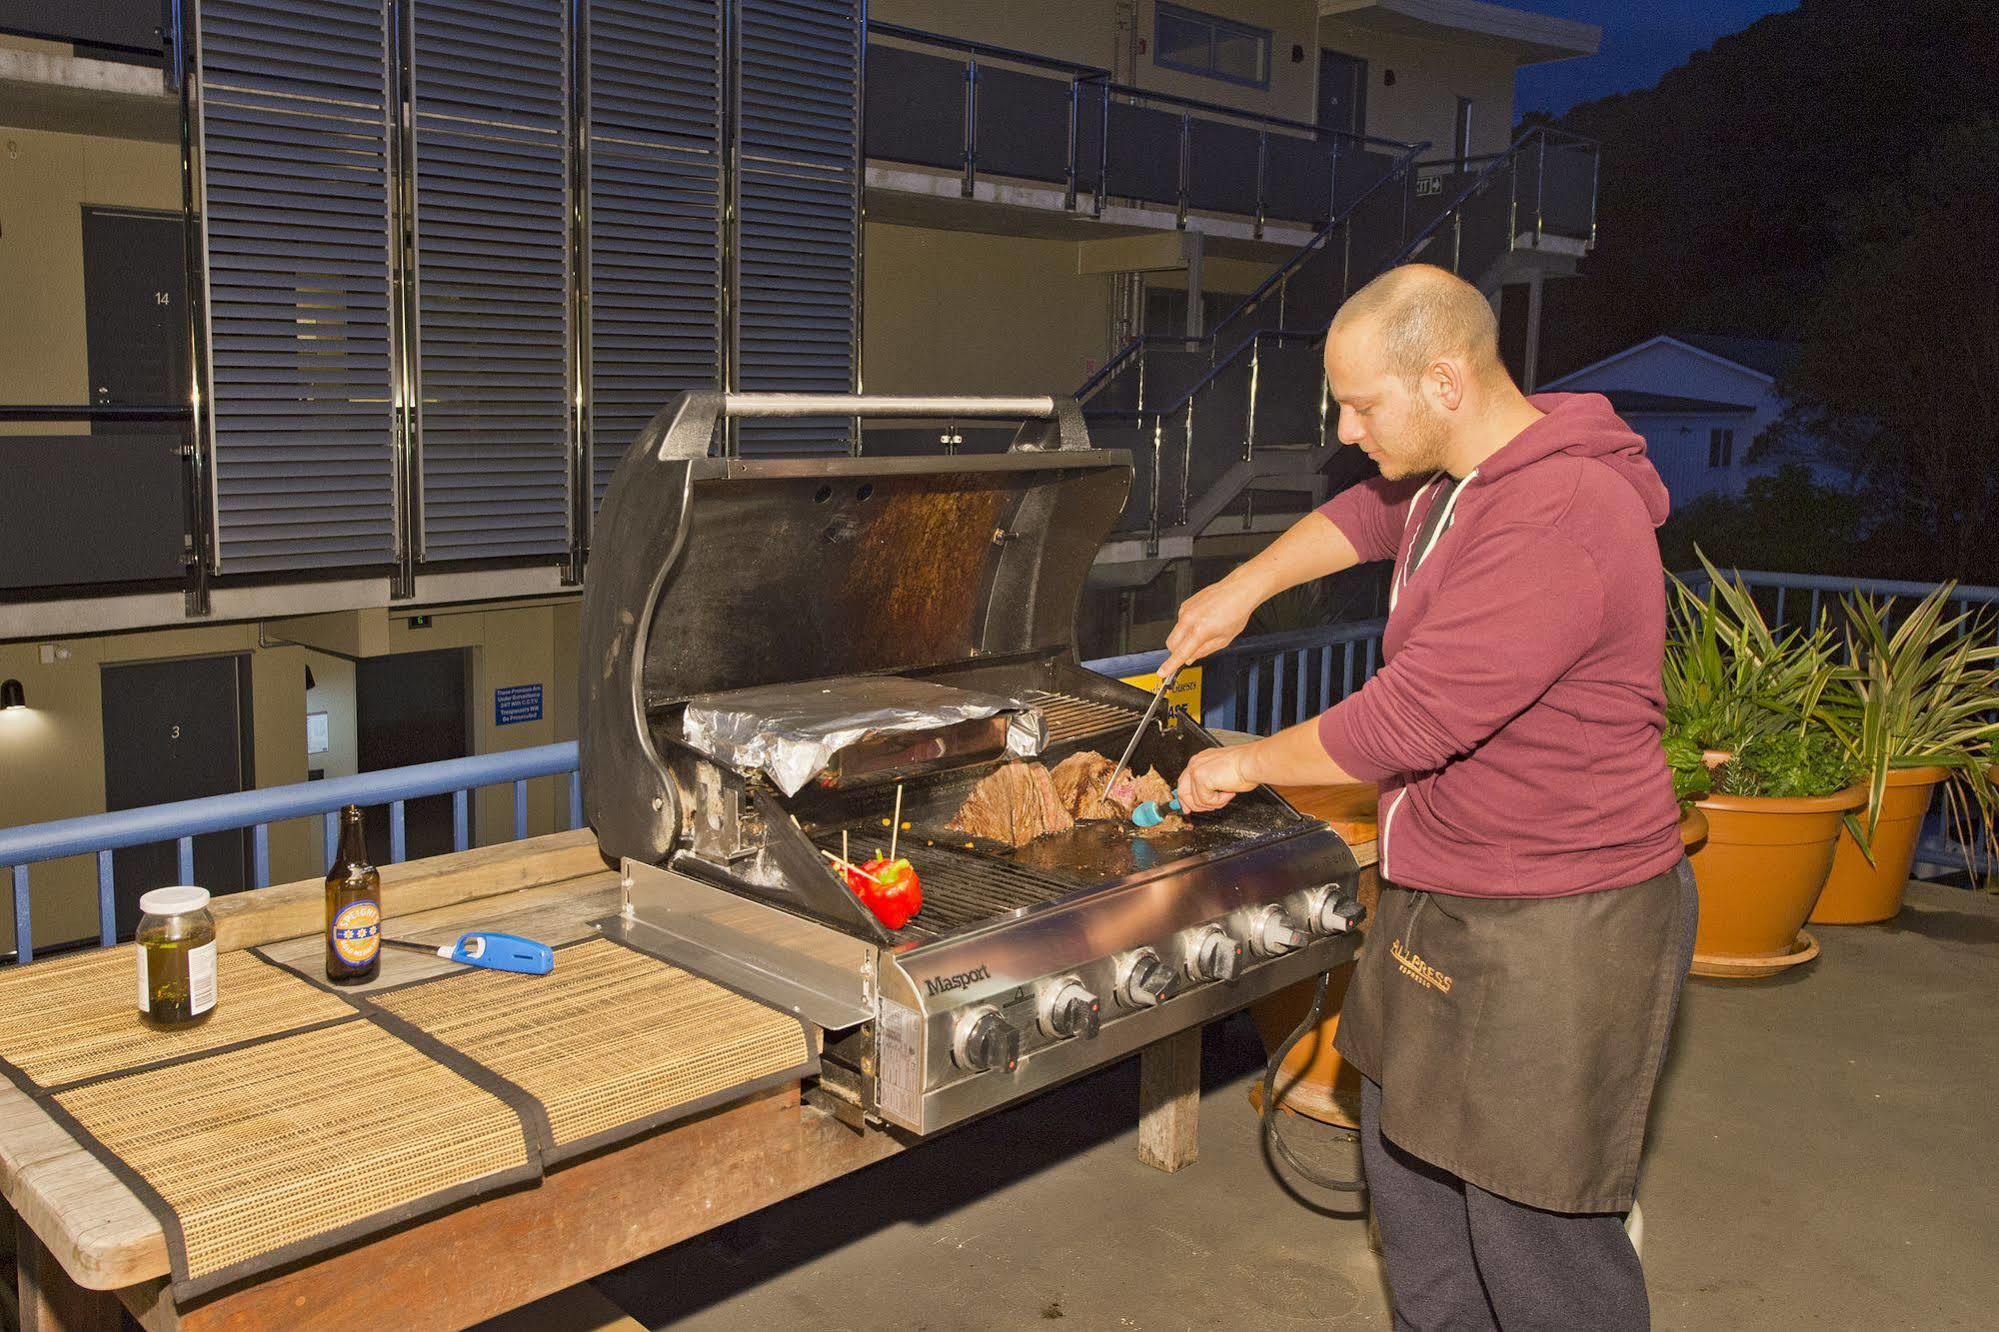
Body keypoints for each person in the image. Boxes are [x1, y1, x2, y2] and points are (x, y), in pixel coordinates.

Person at [1166, 264, 1695, 1330]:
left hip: (1562, 915)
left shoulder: (1557, 515)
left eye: (1363, 406)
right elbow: (1368, 517)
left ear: (1446, 381)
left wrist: (1243, 762)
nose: (1348, 430)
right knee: (1411, 1177)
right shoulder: (1459, 473)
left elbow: (1411, 721)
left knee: (1531, 1224)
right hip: (1447, 882)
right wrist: (1243, 588)